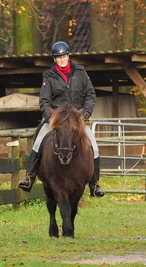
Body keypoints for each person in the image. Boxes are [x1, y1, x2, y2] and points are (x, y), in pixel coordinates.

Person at [18, 41, 104, 198]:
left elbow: (90, 95)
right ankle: (29, 177)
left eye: (64, 56)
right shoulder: (49, 76)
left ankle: (95, 183)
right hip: (56, 120)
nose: (62, 59)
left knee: (95, 146)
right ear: (54, 59)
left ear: (68, 56)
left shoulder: (81, 72)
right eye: (59, 57)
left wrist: (85, 114)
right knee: (38, 142)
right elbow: (44, 100)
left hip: (77, 119)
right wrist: (51, 118)